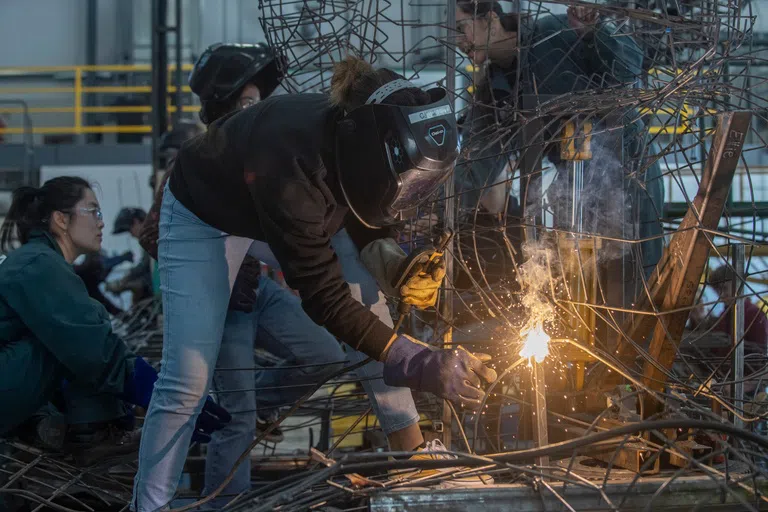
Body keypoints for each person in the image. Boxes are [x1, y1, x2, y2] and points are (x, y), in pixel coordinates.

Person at [131, 55, 498, 510]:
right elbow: (323, 296)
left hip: (273, 208)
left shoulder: (355, 137)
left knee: (371, 299)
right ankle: (149, 505)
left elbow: (364, 197)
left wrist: (386, 255)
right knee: (188, 379)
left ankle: (413, 454)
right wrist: (417, 359)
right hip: (205, 216)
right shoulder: (289, 164)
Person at [0, 177, 230, 466]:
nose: (101, 223)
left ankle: (46, 424)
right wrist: (165, 398)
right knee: (78, 338)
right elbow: (92, 350)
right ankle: (93, 435)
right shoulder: (38, 265)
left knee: (82, 329)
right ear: (61, 219)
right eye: (93, 211)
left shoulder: (41, 261)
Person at [454, 1, 665, 276]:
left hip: (629, 176)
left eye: (462, 29)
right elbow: (473, 167)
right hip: (574, 194)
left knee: (634, 283)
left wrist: (593, 34)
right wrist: (434, 208)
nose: (459, 42)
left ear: (491, 20)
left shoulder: (554, 32)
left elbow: (627, 70)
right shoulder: (495, 93)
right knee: (582, 289)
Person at [691, 265, 768, 349]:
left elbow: (760, 354)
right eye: (718, 291)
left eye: (724, 288)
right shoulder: (723, 316)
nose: (721, 295)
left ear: (738, 284)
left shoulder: (755, 315)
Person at [107, 207, 153, 302]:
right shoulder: (149, 240)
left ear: (136, 222)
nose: (131, 235)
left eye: (130, 230)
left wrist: (125, 282)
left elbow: (144, 266)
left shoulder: (152, 238)